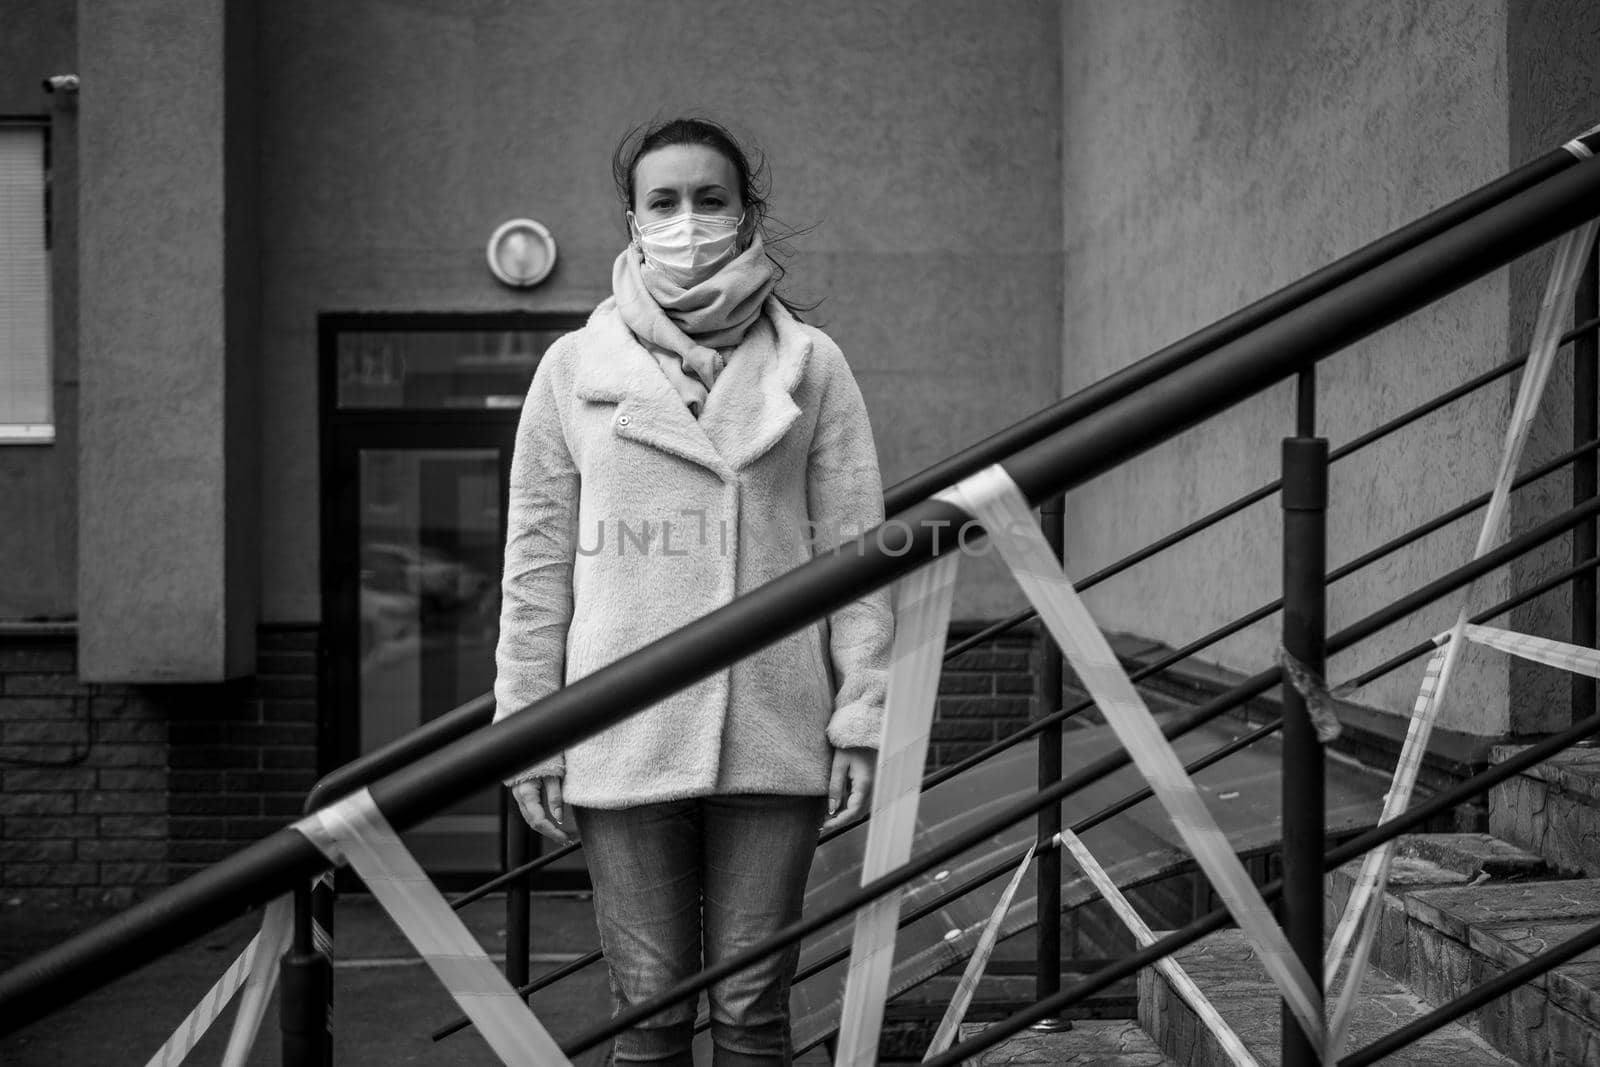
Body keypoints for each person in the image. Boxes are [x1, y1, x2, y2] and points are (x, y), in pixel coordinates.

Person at [492, 116, 895, 1066]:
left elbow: (858, 552)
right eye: (663, 202)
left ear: (747, 212)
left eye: (708, 199)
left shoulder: (813, 365)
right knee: (650, 1008)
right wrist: (527, 729)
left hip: (777, 724)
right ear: (631, 222)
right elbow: (536, 563)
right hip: (617, 727)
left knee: (755, 1009)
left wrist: (864, 717)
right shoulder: (572, 371)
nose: (686, 220)